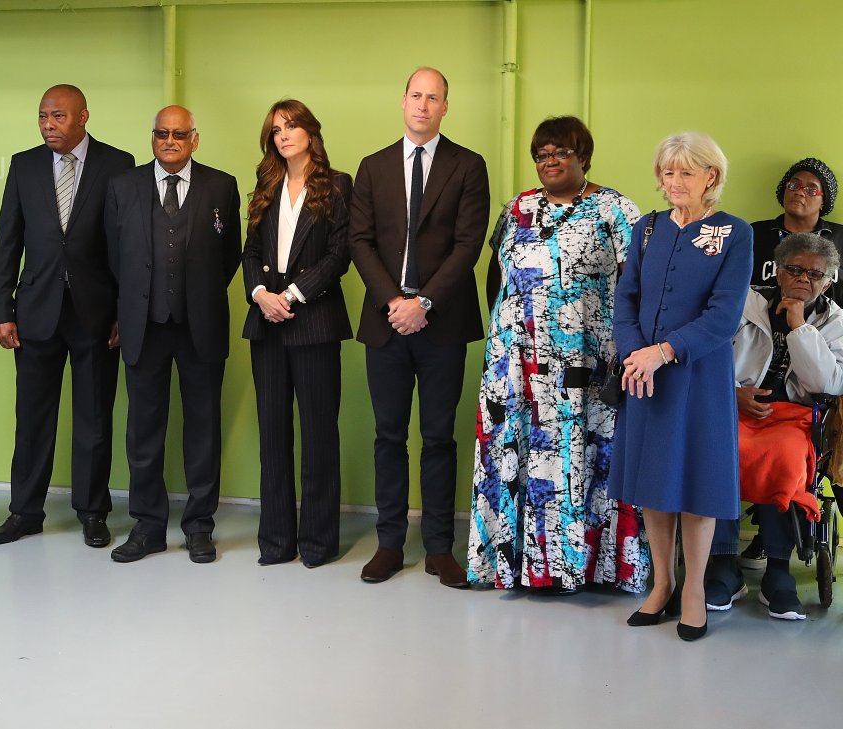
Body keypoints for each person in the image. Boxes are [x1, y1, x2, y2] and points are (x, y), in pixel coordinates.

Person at [468, 116, 648, 593]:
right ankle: (515, 568)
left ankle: (590, 570)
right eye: (541, 155)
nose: (548, 163)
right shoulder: (518, 207)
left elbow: (639, 287)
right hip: (517, 365)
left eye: (559, 154)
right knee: (519, 457)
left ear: (583, 157)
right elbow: (496, 277)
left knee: (581, 463)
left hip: (585, 366)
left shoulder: (615, 210)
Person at [348, 67, 490, 586]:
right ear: (402, 100)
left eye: (434, 98)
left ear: (445, 107)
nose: (423, 105)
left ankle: (438, 547)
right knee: (388, 436)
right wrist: (394, 301)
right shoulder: (373, 167)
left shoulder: (468, 166)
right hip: (386, 323)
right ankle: (388, 543)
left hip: (442, 324)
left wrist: (424, 301)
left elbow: (468, 244)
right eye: (416, 95)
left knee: (438, 437)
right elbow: (359, 242)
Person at [610, 132, 752, 641]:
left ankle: (694, 592)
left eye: (686, 172)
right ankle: (662, 583)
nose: (674, 182)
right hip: (643, 377)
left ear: (711, 177)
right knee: (654, 484)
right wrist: (634, 353)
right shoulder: (646, 229)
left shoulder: (734, 233)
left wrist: (662, 352)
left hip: (697, 378)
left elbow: (724, 315)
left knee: (695, 486)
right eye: (668, 172)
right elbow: (625, 299)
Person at [0, 84, 134, 547]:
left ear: (83, 116)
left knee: (94, 416)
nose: (49, 125)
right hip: (35, 311)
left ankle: (92, 511)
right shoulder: (23, 164)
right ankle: (25, 511)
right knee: (32, 417)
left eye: (58, 116)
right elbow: (7, 240)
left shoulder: (119, 164)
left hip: (97, 311)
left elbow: (129, 246)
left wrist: (124, 313)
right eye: (43, 117)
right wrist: (1, 309)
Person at [104, 105, 241, 563]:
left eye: (179, 134)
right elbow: (111, 256)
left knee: (202, 429)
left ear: (194, 139)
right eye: (161, 133)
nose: (169, 141)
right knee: (143, 431)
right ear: (152, 137)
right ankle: (147, 527)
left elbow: (230, 257)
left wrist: (197, 293)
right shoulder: (123, 187)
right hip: (144, 328)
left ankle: (200, 526)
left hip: (200, 326)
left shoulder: (221, 186)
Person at [704, 232, 843, 620]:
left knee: (784, 458)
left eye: (815, 274)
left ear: (828, 281)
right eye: (794, 269)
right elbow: (708, 356)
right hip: (733, 409)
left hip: (793, 418)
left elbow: (826, 383)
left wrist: (799, 325)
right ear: (778, 272)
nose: (803, 278)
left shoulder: (835, 322)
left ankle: (778, 570)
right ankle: (723, 565)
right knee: (720, 452)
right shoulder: (741, 303)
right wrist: (733, 393)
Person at [241, 100, 352, 568]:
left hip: (314, 323)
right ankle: (276, 541)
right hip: (267, 324)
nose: (282, 135)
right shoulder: (266, 186)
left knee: (319, 435)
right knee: (273, 437)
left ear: (310, 131)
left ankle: (318, 543)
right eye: (275, 129)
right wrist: (260, 293)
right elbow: (248, 253)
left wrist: (293, 294)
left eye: (291, 126)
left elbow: (339, 253)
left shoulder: (338, 185)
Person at [751, 158, 840, 304]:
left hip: (829, 324)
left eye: (811, 189)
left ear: (823, 202)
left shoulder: (840, 237)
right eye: (794, 185)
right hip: (761, 323)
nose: (799, 192)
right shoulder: (754, 234)